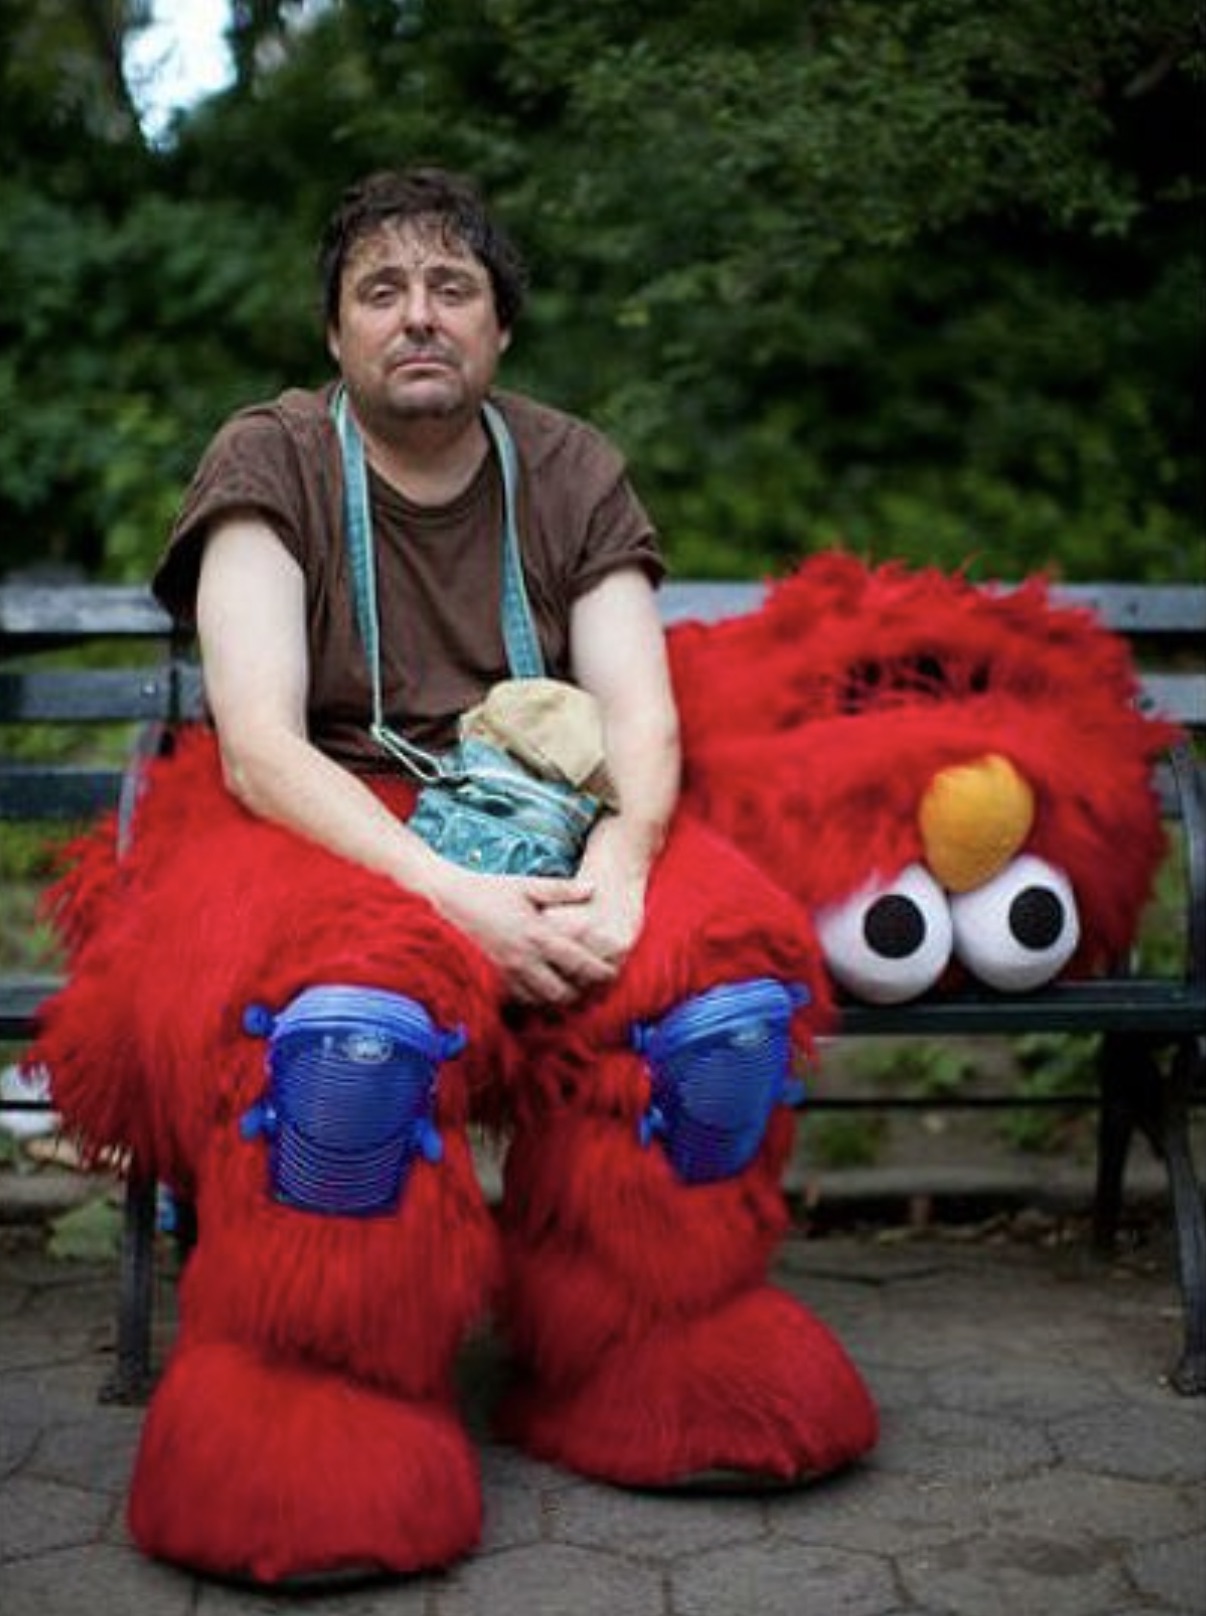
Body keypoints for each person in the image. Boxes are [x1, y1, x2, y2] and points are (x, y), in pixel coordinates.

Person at [35, 167, 877, 1585]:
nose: (415, 317)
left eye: (450, 290)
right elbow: (254, 748)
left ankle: (646, 1350)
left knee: (709, 994)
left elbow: (640, 720)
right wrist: (453, 903)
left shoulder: (569, 465)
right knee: (345, 1034)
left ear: (495, 332)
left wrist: (619, 866)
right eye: (380, 292)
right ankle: (315, 1398)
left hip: (545, 815)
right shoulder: (269, 461)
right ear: (334, 335)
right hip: (312, 824)